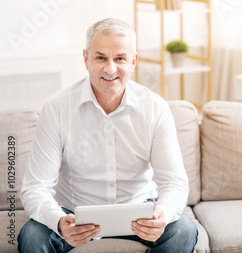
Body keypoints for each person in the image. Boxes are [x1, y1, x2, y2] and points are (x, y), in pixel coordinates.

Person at [18, 18, 198, 253]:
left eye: (120, 58)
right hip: (72, 214)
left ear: (133, 61)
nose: (110, 68)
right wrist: (60, 222)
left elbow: (174, 182)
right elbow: (35, 187)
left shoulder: (155, 108)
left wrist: (161, 214)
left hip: (138, 214)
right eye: (101, 57)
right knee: (32, 236)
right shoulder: (56, 108)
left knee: (184, 231)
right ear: (86, 59)